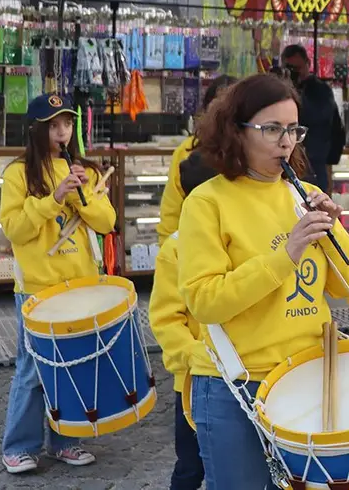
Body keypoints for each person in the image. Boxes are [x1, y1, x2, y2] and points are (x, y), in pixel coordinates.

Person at [178, 73, 349, 488]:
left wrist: (334, 230)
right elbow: (205, 301)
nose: (286, 142)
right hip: (237, 382)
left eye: (294, 130)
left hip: (305, 376)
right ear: (235, 131)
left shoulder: (303, 194)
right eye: (271, 129)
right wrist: (286, 254)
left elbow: (346, 286)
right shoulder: (207, 202)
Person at [0, 95, 116, 474]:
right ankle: (19, 445)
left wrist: (81, 196)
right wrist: (53, 199)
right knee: (33, 370)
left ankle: (64, 441)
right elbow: (14, 229)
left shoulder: (88, 171)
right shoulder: (18, 174)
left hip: (79, 284)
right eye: (52, 125)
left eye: (66, 123)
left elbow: (106, 221)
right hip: (37, 287)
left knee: (72, 366)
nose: (62, 131)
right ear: (36, 129)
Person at [149, 151, 217, 490]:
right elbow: (165, 318)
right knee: (191, 467)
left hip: (239, 372)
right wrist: (193, 355)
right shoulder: (175, 250)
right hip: (193, 382)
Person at [156, 76, 237, 246]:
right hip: (195, 246)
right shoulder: (187, 151)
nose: (223, 116)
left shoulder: (252, 152)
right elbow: (172, 208)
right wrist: (168, 248)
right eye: (217, 107)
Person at [281, 44, 346, 191]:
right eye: (290, 68)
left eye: (297, 69)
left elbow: (320, 119)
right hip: (288, 161)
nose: (294, 73)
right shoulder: (281, 90)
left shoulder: (319, 90)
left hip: (313, 162)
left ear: (307, 65)